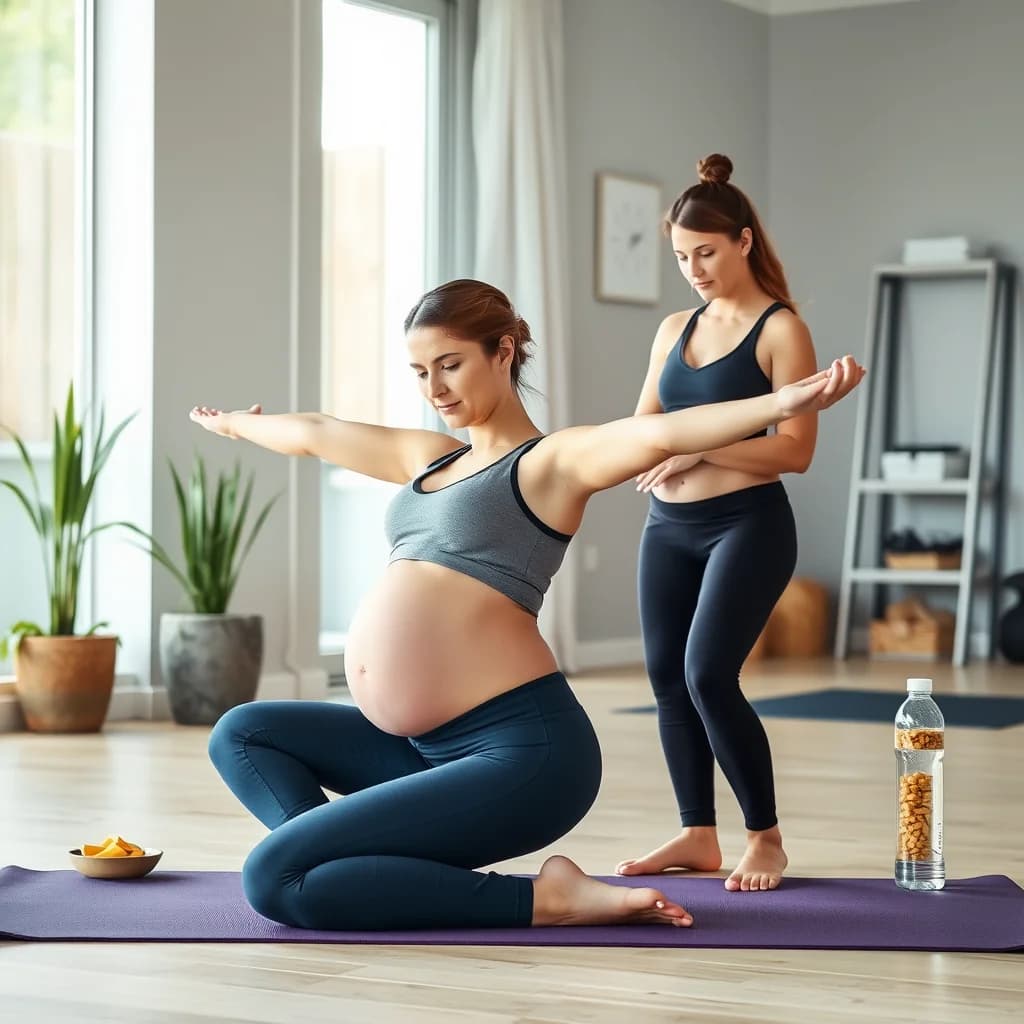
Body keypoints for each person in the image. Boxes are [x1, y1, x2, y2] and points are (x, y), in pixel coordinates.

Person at [197, 277, 863, 932]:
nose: (434, 389)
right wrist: (233, 426)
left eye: (451, 364)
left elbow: (663, 436)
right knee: (243, 733)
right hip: (424, 749)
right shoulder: (429, 458)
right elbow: (319, 432)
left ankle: (551, 900)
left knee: (271, 880)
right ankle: (342, 865)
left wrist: (781, 403)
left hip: (523, 756)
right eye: (420, 371)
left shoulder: (549, 463)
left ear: (504, 351)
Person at [615, 154, 826, 893]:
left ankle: (764, 837)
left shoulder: (780, 330)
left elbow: (794, 452)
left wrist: (692, 446)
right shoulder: (675, 327)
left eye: (705, 251)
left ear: (741, 240)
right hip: (667, 528)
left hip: (749, 525)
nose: (694, 268)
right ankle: (696, 834)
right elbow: (645, 426)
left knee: (708, 675)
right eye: (680, 256)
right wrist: (662, 450)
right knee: (667, 679)